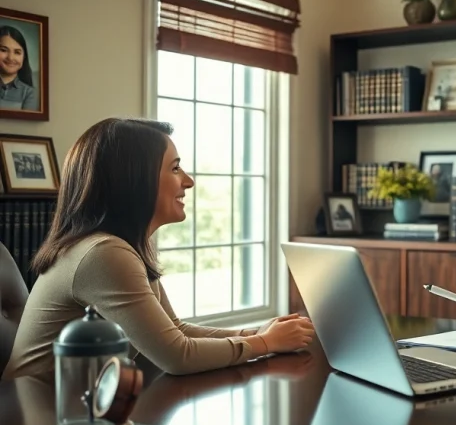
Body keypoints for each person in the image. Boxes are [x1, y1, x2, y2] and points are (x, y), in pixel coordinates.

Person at [2, 118, 315, 381]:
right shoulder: (103, 253)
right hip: (31, 424)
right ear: (134, 180)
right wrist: (264, 343)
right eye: (176, 168)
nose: (189, 181)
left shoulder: (120, 246)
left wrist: (255, 333)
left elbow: (175, 330)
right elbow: (177, 355)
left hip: (78, 414)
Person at [0, 25, 39, 111]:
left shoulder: (29, 93)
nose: (10, 58)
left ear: (24, 57)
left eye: (17, 52)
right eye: (3, 50)